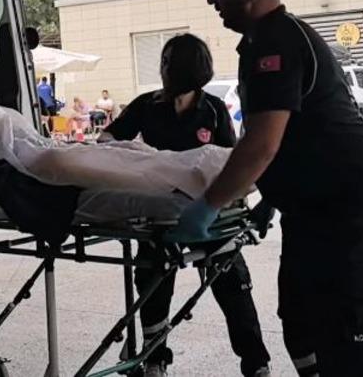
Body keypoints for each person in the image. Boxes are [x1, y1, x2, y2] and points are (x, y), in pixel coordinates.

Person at [173, 0, 363, 377]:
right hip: (311, 212)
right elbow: (295, 137)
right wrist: (271, 198)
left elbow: (262, 143)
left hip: (349, 213)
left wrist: (209, 205)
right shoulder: (262, 40)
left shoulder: (277, 41)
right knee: (300, 320)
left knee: (355, 342)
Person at [100, 34, 271, 377]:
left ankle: (256, 365)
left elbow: (229, 162)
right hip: (160, 213)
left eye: (170, 63)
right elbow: (107, 139)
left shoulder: (213, 110)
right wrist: (134, 158)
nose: (164, 69)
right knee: (152, 276)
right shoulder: (146, 106)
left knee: (232, 279)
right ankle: (154, 359)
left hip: (207, 212)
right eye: (163, 62)